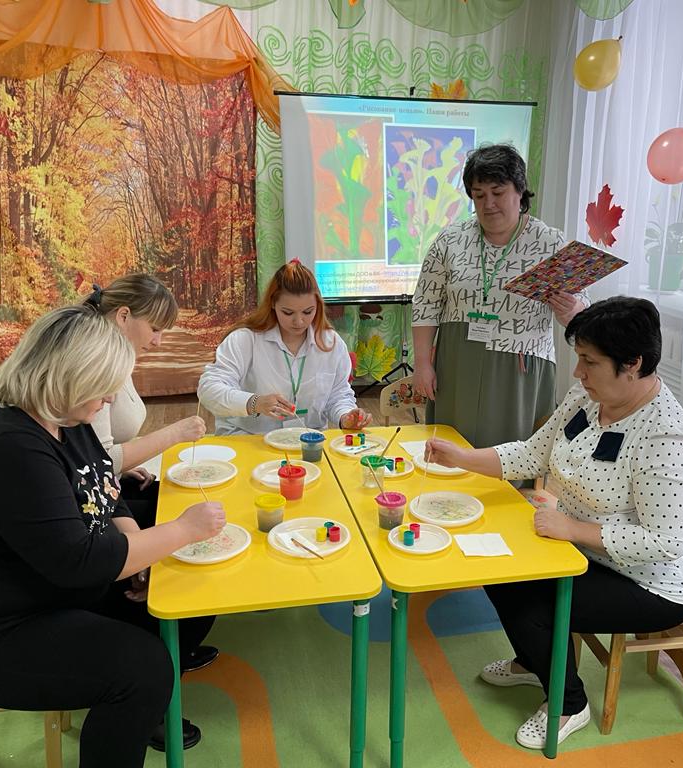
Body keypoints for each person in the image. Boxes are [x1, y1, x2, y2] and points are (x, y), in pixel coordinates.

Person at [0, 305, 226, 767]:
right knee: (142, 669)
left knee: (186, 599)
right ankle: (138, 706)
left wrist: (137, 551)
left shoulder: (66, 421)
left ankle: (144, 710)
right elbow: (81, 562)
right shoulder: (8, 447)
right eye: (103, 388)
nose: (109, 399)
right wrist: (181, 529)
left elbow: (105, 490)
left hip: (44, 589)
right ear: (67, 379)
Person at [424, 297, 683, 749]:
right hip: (586, 552)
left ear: (632, 364)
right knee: (498, 569)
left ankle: (569, 703)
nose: (578, 372)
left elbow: (665, 541)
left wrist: (572, 530)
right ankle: (532, 661)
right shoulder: (589, 397)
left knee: (533, 607)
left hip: (651, 583)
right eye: (579, 358)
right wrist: (462, 458)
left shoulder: (667, 435)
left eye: (590, 362)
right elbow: (532, 453)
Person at [83, 275, 218, 676]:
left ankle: (171, 643)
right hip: (89, 524)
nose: (158, 341)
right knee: (189, 546)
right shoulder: (95, 366)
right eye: (155, 329)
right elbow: (97, 465)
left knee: (171, 505)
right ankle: (162, 653)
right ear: (123, 316)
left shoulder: (114, 358)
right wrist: (141, 549)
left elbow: (98, 468)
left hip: (101, 494)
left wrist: (120, 471)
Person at [411, 143, 587, 448]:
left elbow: (584, 307)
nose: (488, 204)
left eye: (497, 192)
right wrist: (423, 363)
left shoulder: (550, 243)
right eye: (479, 195)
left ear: (520, 191)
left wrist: (572, 311)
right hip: (458, 363)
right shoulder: (451, 240)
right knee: (453, 448)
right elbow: (426, 303)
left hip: (520, 369)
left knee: (512, 452)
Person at [198, 259, 372, 435]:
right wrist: (254, 403)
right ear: (273, 304)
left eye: (308, 312)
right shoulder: (244, 340)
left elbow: (338, 395)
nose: (299, 321)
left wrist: (345, 416)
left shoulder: (331, 343)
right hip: (249, 437)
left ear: (318, 305)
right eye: (288, 313)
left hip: (307, 440)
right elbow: (209, 389)